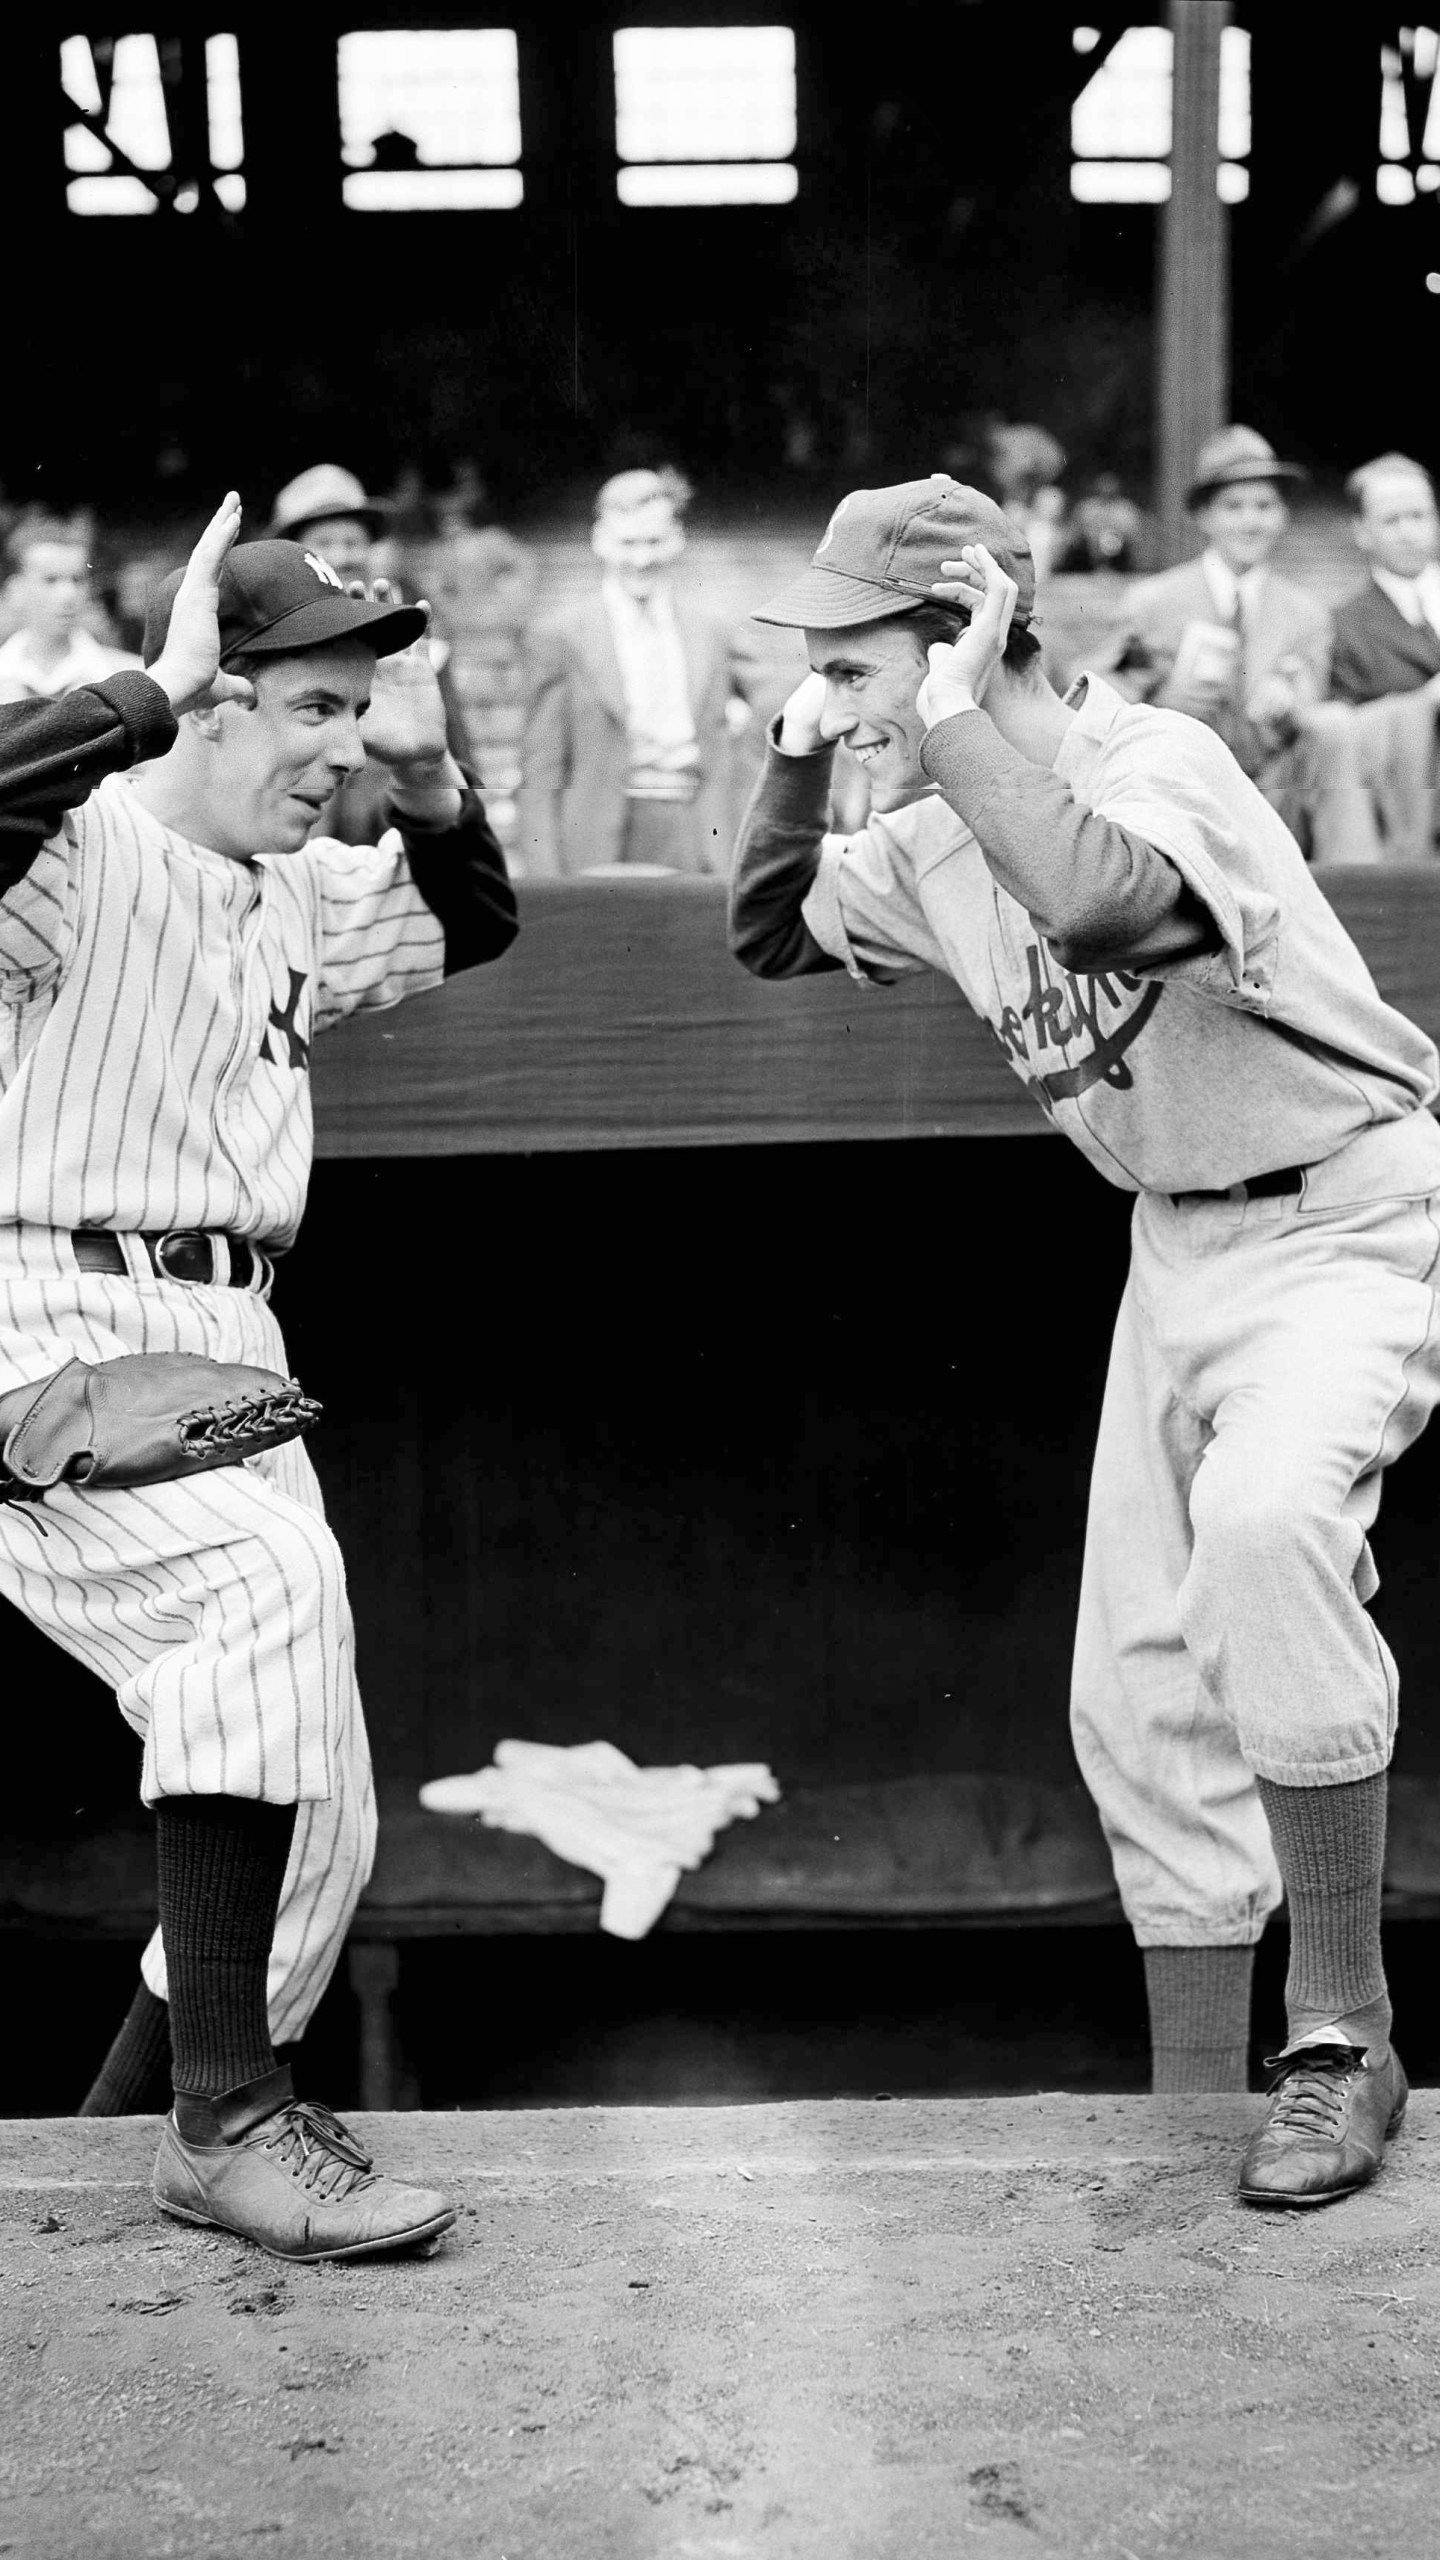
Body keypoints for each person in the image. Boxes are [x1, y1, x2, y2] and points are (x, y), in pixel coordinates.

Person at [729, 472, 1440, 2208]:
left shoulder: (1159, 765)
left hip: (1346, 1209)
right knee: (1133, 1682)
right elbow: (764, 929)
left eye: (860, 647)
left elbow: (1111, 906)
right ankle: (1192, 2101)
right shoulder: (929, 824)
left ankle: (1344, 2035)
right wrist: (812, 748)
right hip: (1178, 1241)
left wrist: (955, 709)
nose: (840, 677)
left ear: (973, 623)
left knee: (1270, 1538)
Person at [0, 494, 518, 2258]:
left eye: (357, 706)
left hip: (224, 1343)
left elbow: (471, 922)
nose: (342, 745)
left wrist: (438, 786)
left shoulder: (293, 881)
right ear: (212, 702)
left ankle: (101, 2157)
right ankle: (223, 2119)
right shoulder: (75, 843)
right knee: (262, 1593)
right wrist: (138, 694)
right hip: (43, 1315)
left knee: (321, 1806)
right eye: (309, 705)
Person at [1096, 426, 1380, 865]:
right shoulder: (1153, 603)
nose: (1251, 521)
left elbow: (1310, 686)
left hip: (1273, 791)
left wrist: (1290, 702)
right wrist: (1159, 699)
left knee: (1334, 725)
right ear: (1204, 517)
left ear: (1283, 516)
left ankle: (1356, 893)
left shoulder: (1305, 612)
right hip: (1182, 794)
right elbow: (1101, 690)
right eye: (1233, 507)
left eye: (1265, 506)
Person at [516, 466, 761, 877]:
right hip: (602, 839)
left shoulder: (711, 629)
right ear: (600, 541)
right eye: (627, 543)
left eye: (654, 542)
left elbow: (775, 703)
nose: (642, 559)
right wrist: (545, 880)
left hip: (699, 830)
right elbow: (541, 769)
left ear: (678, 539)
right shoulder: (562, 634)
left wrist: (737, 739)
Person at [266, 462, 475, 841]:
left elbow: (452, 753)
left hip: (392, 833)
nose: (343, 556)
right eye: (324, 544)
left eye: (353, 542)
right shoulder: (265, 643)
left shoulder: (409, 637)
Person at [1331, 454, 1440, 705]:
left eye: (1417, 516)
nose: (1407, 533)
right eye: (1391, 520)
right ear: (1361, 531)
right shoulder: (1344, 629)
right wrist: (1423, 703)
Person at [0, 517, 139, 702]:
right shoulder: (5, 674)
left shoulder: (129, 679)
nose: (68, 594)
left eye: (77, 579)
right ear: (16, 588)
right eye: (50, 580)